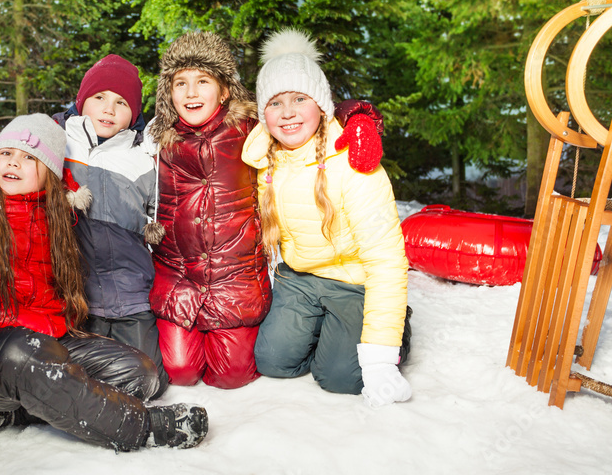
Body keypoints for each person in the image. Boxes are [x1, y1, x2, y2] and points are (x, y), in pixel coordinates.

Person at [0, 114, 207, 450]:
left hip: (41, 343)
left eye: (29, 157)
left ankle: (17, 412)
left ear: (50, 170)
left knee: (142, 373)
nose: (14, 163)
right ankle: (140, 427)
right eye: (7, 153)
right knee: (20, 351)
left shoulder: (59, 218)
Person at [241, 29, 411, 407]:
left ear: (321, 104)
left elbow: (386, 260)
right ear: (262, 113)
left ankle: (396, 326)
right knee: (273, 362)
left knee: (341, 378)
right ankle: (325, 326)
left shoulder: (353, 161)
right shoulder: (261, 158)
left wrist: (380, 353)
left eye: (300, 98)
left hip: (353, 280)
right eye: (275, 103)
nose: (287, 113)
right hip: (299, 279)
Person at [146, 32, 273, 389]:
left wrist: (355, 118)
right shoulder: (156, 140)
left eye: (203, 81)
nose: (190, 93)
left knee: (233, 376)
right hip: (179, 277)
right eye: (180, 83)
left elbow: (302, 120)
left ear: (225, 89)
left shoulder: (251, 131)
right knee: (180, 371)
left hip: (235, 279)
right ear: (168, 92)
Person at [53, 54, 168, 397]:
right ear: (81, 101)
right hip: (77, 297)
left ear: (133, 114)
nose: (108, 108)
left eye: (121, 102)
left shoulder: (143, 156)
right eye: (99, 98)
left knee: (150, 382)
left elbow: (161, 212)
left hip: (131, 294)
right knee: (73, 378)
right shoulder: (59, 144)